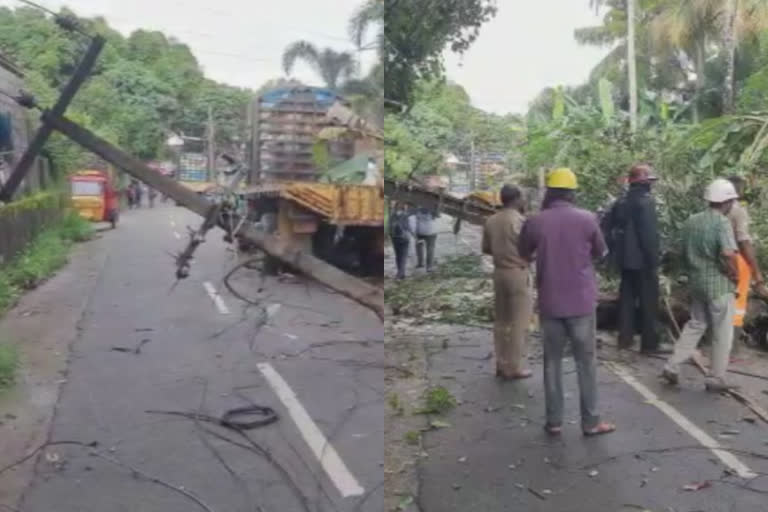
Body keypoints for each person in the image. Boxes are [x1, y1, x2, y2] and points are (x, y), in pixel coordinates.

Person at [519, 168, 615, 437]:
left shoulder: (535, 221)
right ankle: (591, 422)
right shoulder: (587, 219)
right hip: (581, 303)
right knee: (586, 363)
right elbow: (601, 252)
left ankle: (554, 422)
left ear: (549, 191)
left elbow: (523, 253)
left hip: (550, 303)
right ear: (572, 192)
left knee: (552, 363)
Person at [663, 178, 740, 392]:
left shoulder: (692, 220)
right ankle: (716, 378)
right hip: (718, 286)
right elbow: (727, 253)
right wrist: (735, 274)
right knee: (722, 332)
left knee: (696, 324)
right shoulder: (721, 222)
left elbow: (681, 252)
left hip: (697, 283)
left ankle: (672, 365)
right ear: (726, 202)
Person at [608, 164, 670, 354]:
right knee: (648, 301)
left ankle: (624, 339)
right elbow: (648, 235)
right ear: (644, 182)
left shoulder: (621, 201)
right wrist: (654, 261)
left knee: (626, 299)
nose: (651, 185)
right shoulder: (645, 201)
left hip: (625, 260)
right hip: (642, 260)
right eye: (650, 181)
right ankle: (649, 344)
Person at [482, 184, 533, 380]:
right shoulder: (521, 222)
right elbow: (530, 250)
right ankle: (515, 367)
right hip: (518, 274)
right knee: (519, 322)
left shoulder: (491, 220)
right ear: (517, 199)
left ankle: (501, 364)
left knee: (502, 321)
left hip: (499, 273)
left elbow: (486, 248)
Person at [727, 176, 768, 349]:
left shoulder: (711, 211)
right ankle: (731, 346)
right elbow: (744, 242)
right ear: (739, 190)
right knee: (738, 305)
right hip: (736, 258)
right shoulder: (738, 211)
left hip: (719, 260)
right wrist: (757, 274)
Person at [389, 202, 414, 280]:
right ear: (403, 208)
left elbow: (389, 227)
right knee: (403, 256)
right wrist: (414, 235)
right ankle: (400, 274)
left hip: (395, 238)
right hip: (404, 238)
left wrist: (390, 235)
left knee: (398, 256)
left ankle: (400, 273)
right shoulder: (406, 215)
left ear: (395, 207)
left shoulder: (392, 216)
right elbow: (408, 227)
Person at [412, 206, 438, 272]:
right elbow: (437, 215)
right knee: (430, 249)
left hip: (420, 231)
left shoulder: (417, 209)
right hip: (431, 232)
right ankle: (429, 267)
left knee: (419, 247)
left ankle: (420, 263)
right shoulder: (433, 209)